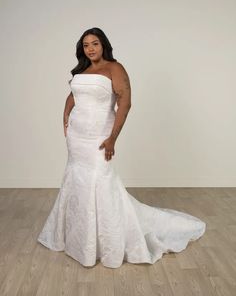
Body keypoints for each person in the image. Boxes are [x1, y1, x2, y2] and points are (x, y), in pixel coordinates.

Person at [37, 27, 206, 268]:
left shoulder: (115, 68)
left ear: (103, 44)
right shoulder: (82, 70)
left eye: (95, 43)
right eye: (86, 45)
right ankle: (77, 240)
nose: (91, 49)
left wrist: (113, 138)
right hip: (77, 138)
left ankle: (107, 243)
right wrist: (65, 113)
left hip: (99, 136)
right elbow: (74, 94)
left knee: (101, 182)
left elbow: (125, 104)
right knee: (77, 180)